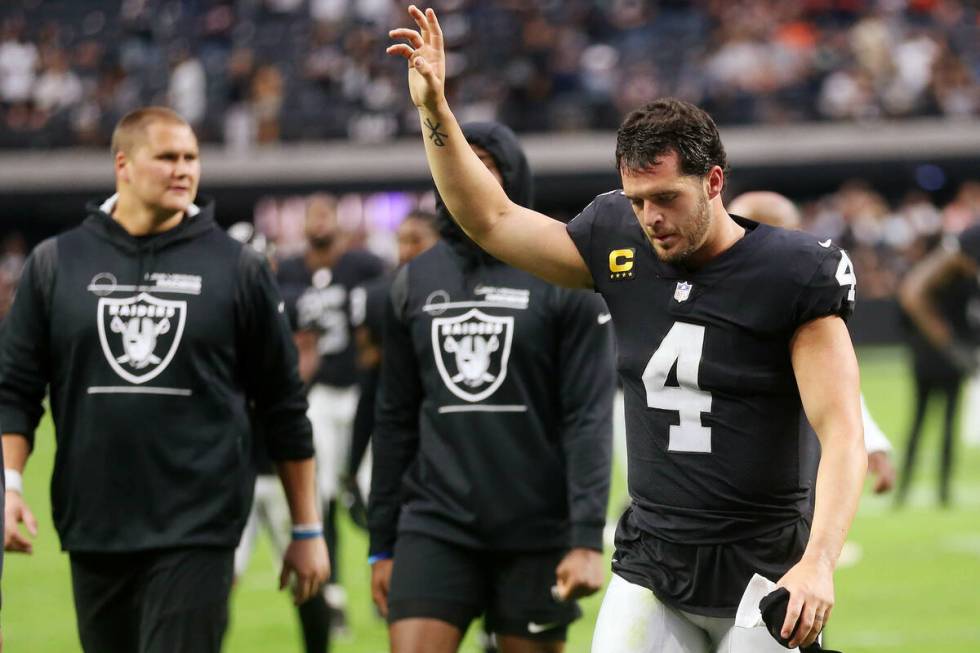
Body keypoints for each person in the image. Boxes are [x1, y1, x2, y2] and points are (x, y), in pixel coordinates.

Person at [386, 8, 866, 652]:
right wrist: (436, 112)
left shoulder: (793, 270)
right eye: (637, 200)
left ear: (713, 182)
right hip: (654, 560)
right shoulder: (617, 237)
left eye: (666, 198)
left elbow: (842, 431)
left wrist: (820, 560)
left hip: (764, 567)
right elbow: (492, 221)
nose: (650, 218)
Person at [0, 106, 329, 653]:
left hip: (199, 526)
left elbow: (283, 407)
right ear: (123, 165)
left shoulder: (238, 268)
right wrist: (9, 487)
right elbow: (15, 389)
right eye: (168, 157)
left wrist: (307, 528)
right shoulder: (56, 264)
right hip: (95, 523)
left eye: (192, 158)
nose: (184, 170)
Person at [368, 120, 616, 653]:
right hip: (435, 523)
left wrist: (585, 537)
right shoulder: (413, 280)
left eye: (483, 164)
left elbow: (588, 416)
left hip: (535, 530)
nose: (466, 175)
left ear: (513, 176)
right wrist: (381, 542)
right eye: (455, 162)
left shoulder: (564, 269)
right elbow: (392, 418)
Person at [728, 191, 896, 494]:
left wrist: (870, 443)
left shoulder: (800, 303)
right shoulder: (699, 294)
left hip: (785, 486)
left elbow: (835, 384)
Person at [277, 193, 387, 632]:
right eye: (313, 215)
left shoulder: (364, 266)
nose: (320, 222)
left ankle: (385, 582)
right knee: (321, 494)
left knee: (371, 490)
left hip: (362, 391)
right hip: (318, 395)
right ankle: (334, 590)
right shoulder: (288, 271)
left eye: (326, 214)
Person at [227, 221, 332, 653]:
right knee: (215, 578)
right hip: (231, 466)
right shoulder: (212, 307)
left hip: (280, 461)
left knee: (308, 577)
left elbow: (305, 357)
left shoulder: (284, 305)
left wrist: (272, 386)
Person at [347, 208, 440, 512]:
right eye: (401, 240)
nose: (406, 250)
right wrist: (356, 454)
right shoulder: (383, 298)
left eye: (416, 240)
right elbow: (371, 381)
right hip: (401, 429)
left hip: (450, 430)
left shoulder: (462, 295)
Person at [898, 220, 980, 505]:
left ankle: (911, 490)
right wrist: (955, 347)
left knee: (925, 424)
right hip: (944, 361)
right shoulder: (960, 279)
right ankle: (931, 490)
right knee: (937, 424)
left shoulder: (958, 283)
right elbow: (912, 293)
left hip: (932, 360)